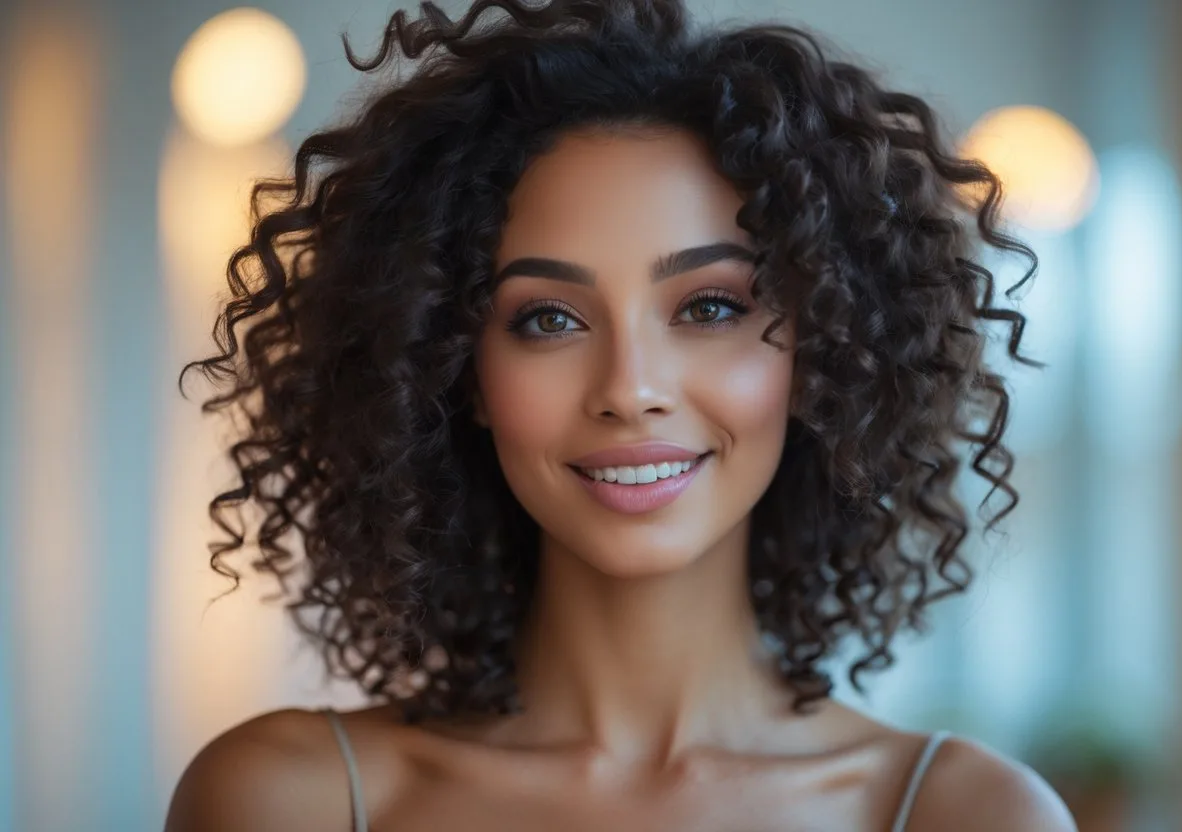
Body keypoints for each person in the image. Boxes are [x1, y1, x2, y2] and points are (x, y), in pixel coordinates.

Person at [166, 1, 1075, 829]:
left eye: (709, 307)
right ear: (457, 371)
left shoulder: (966, 815)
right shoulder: (288, 798)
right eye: (547, 319)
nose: (630, 386)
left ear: (817, 351)